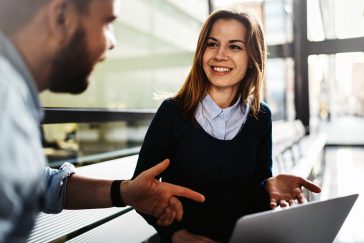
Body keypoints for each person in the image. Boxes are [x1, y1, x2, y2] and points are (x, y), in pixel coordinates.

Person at [0, 0, 206, 242]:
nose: (112, 42)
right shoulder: (6, 104)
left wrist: (125, 192)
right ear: (61, 17)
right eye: (107, 23)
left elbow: (38, 184)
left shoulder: (15, 96)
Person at [133, 8, 321, 243]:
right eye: (212, 44)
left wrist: (268, 187)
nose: (220, 55)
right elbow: (140, 191)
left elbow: (253, 193)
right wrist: (174, 235)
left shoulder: (260, 117)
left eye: (234, 46)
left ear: (252, 59)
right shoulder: (172, 113)